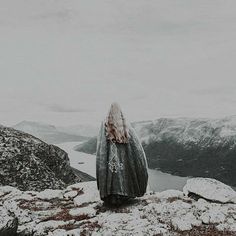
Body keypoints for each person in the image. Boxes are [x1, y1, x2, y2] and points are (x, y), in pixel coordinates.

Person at [96, 102, 149, 206]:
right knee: (123, 173)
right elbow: (137, 148)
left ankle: (111, 196)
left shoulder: (104, 125)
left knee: (113, 174)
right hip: (123, 163)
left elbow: (101, 148)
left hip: (109, 161)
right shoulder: (126, 125)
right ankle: (124, 195)